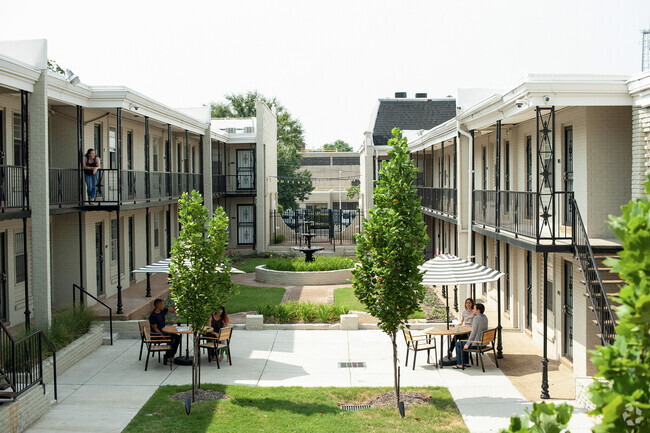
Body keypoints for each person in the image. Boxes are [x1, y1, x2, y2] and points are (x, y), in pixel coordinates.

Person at [454, 303, 488, 369]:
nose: (473, 310)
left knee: (458, 343)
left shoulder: (476, 319)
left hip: (477, 343)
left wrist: (468, 344)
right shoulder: (485, 317)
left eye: (474, 308)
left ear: (478, 311)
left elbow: (473, 333)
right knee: (464, 341)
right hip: (484, 343)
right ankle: (466, 362)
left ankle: (460, 364)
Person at [149, 298, 181, 364]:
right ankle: (167, 356)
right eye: (162, 305)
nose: (163, 306)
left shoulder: (162, 311)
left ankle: (171, 355)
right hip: (157, 335)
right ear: (158, 305)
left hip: (164, 332)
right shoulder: (153, 316)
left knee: (178, 337)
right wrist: (162, 335)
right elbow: (155, 329)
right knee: (172, 339)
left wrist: (179, 305)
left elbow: (171, 309)